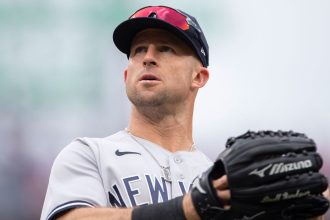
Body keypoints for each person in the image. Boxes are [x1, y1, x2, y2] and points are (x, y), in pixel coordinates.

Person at [41, 5, 328, 220]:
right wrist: (185, 209)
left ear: (199, 78)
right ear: (126, 75)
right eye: (139, 50)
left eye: (166, 49)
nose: (149, 58)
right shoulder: (89, 155)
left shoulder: (222, 180)